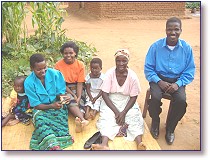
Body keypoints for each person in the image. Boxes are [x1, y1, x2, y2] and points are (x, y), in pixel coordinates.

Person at [144, 17, 195, 145]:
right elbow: (148, 68)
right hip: (158, 79)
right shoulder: (155, 46)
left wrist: (177, 84)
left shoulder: (187, 48)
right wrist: (159, 81)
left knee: (181, 101)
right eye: (170, 29)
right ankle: (155, 122)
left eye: (176, 29)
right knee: (155, 98)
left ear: (181, 30)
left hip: (177, 81)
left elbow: (189, 71)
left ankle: (170, 128)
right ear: (165, 30)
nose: (173, 32)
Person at [92, 49, 146, 150]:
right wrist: (117, 112)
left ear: (128, 61)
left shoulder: (132, 76)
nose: (121, 63)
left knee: (134, 116)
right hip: (110, 101)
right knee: (107, 117)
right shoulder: (110, 73)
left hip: (127, 101)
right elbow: (104, 94)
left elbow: (134, 97)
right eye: (118, 61)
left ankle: (139, 143)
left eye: (124, 61)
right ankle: (104, 144)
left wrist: (124, 112)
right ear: (115, 61)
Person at [24, 53, 74, 150]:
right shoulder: (28, 82)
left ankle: (55, 140)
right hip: (41, 108)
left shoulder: (55, 74)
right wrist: (51, 106)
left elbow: (60, 93)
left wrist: (65, 97)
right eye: (39, 69)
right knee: (39, 118)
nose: (43, 71)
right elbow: (36, 105)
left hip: (56, 105)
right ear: (32, 68)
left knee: (60, 115)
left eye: (44, 67)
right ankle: (52, 144)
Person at [55, 41, 89, 132]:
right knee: (68, 100)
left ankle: (79, 121)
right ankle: (83, 120)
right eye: (65, 53)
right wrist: (73, 96)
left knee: (81, 101)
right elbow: (61, 84)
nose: (68, 55)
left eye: (71, 53)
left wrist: (78, 96)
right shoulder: (58, 65)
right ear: (62, 54)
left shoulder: (80, 65)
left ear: (75, 53)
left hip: (77, 86)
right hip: (63, 87)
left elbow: (80, 83)